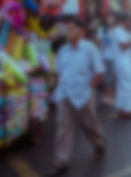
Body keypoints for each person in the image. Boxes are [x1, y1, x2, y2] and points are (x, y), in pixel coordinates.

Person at [49, 18, 105, 177]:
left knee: (90, 124)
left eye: (72, 29)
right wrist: (54, 89)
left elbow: (99, 72)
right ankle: (61, 163)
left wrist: (90, 89)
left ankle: (99, 144)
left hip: (83, 94)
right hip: (64, 94)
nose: (68, 32)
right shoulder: (62, 50)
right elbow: (59, 73)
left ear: (82, 32)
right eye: (67, 29)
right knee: (63, 129)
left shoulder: (90, 49)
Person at [113, 14, 131, 119]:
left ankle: (121, 109)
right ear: (125, 20)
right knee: (128, 84)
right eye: (129, 21)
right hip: (122, 62)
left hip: (125, 61)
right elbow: (123, 46)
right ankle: (127, 110)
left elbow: (127, 45)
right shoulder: (118, 31)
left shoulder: (123, 31)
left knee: (123, 85)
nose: (130, 23)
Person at [97, 14, 117, 106]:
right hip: (103, 57)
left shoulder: (117, 30)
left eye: (112, 18)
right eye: (108, 18)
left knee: (112, 78)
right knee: (104, 78)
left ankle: (112, 96)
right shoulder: (102, 30)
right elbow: (98, 41)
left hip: (113, 58)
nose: (110, 20)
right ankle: (107, 95)